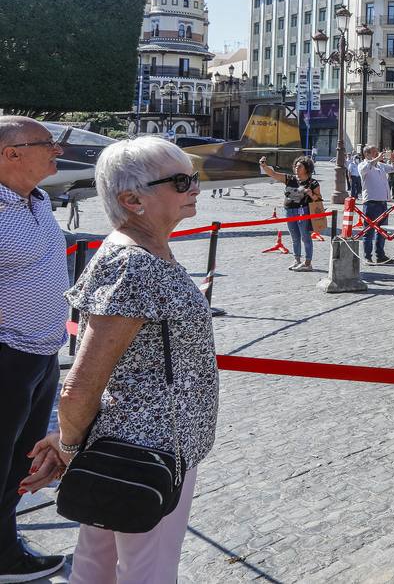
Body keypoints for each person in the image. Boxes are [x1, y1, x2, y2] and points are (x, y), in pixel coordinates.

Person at [24, 136, 218, 584]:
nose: (195, 187)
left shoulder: (140, 253)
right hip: (147, 448)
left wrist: (71, 443)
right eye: (181, 180)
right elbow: (80, 383)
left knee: (97, 561)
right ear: (133, 200)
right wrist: (69, 447)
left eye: (193, 176)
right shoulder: (137, 265)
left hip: (127, 440)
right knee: (147, 568)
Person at [0, 117, 69, 581]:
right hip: (6, 355)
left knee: (19, 463)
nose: (57, 151)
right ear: (11, 154)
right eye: (47, 143)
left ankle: (4, 549)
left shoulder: (38, 200)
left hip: (42, 355)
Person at [259, 156, 322, 271]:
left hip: (303, 211)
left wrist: (311, 194)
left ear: (306, 168)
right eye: (296, 166)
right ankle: (297, 260)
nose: (296, 168)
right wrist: (264, 165)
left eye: (300, 167)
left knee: (305, 237)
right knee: (294, 237)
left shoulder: (313, 183)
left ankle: (308, 263)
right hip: (289, 211)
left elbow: (318, 200)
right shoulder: (290, 179)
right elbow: (273, 174)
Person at [357, 147, 394, 265]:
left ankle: (380, 255)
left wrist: (393, 160)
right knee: (369, 231)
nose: (378, 154)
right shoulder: (362, 165)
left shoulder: (380, 165)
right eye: (374, 152)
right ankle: (367, 256)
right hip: (371, 202)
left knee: (382, 230)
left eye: (377, 152)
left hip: (383, 202)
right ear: (367, 154)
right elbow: (366, 169)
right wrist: (377, 159)